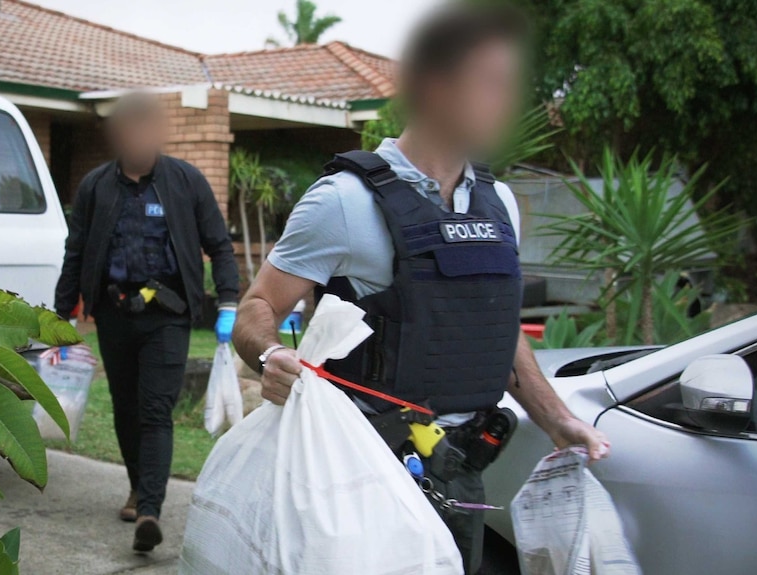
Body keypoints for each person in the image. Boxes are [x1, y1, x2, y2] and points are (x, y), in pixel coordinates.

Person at [232, 4, 610, 573]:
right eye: (491, 84)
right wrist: (272, 354)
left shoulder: (498, 201)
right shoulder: (343, 201)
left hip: (461, 464)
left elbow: (493, 326)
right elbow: (254, 309)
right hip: (360, 467)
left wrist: (556, 417)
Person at [54, 92, 239, 552]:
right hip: (114, 315)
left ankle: (151, 510)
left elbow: (219, 244)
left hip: (168, 316)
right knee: (125, 405)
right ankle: (138, 487)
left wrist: (230, 300)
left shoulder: (185, 182)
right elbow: (75, 252)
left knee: (155, 409)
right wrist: (60, 316)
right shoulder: (96, 186)